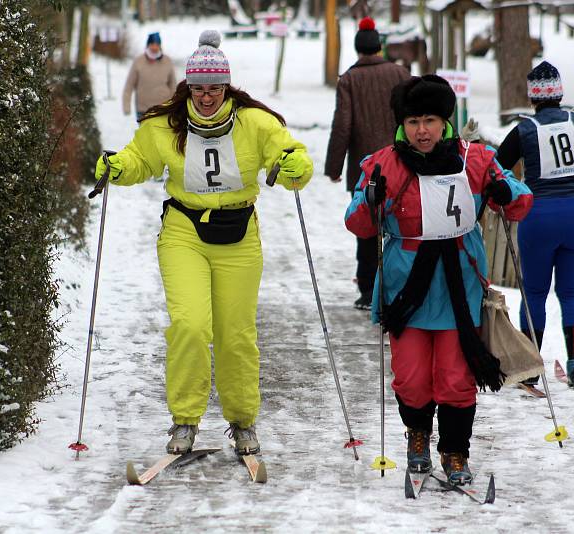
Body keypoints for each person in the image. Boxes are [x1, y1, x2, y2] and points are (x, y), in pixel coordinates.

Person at [95, 30, 313, 456]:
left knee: (235, 335)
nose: (207, 97)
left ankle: (243, 421)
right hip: (184, 232)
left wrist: (294, 165)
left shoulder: (255, 122)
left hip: (239, 233)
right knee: (191, 326)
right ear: (188, 87)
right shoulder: (166, 124)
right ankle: (185, 420)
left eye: (214, 88)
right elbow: (141, 159)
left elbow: (286, 154)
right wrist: (119, 167)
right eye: (198, 89)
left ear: (226, 87)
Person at [344, 75, 532, 484]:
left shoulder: (475, 158)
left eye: (430, 120)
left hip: (458, 285)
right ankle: (417, 434)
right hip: (406, 285)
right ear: (401, 125)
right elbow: (358, 223)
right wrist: (370, 201)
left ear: (445, 121)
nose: (422, 130)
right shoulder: (384, 163)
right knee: (411, 377)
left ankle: (455, 450)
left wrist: (505, 191)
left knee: (455, 377)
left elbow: (519, 199)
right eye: (413, 122)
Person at [496, 61, 574, 388]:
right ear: (559, 92)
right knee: (572, 292)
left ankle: (530, 366)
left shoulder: (525, 128)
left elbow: (499, 164)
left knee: (534, 292)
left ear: (533, 97)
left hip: (540, 214)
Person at [325, 16, 410, 310]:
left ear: (358, 49)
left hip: (367, 170)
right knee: (404, 226)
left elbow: (342, 126)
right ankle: (401, 286)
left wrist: (334, 168)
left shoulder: (349, 79)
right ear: (379, 47)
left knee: (367, 227)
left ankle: (368, 288)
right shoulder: (401, 73)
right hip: (404, 165)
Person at [122, 32, 176, 122]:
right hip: (143, 110)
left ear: (160, 46)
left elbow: (173, 85)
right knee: (145, 135)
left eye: (157, 44)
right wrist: (126, 106)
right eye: (152, 44)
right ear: (148, 45)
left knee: (161, 135)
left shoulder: (167, 61)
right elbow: (129, 86)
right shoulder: (138, 61)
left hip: (163, 109)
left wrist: (174, 105)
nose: (154, 47)